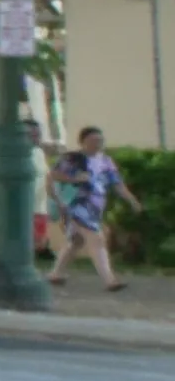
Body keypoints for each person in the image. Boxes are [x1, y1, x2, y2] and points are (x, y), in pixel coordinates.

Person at [49, 124, 142, 292]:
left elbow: (117, 183)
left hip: (96, 205)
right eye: (93, 140)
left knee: (76, 241)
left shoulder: (106, 161)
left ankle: (56, 273)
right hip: (77, 203)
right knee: (96, 239)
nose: (97, 143)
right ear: (83, 141)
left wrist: (132, 200)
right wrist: (74, 178)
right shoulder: (72, 158)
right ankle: (109, 280)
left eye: (100, 140)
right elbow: (54, 175)